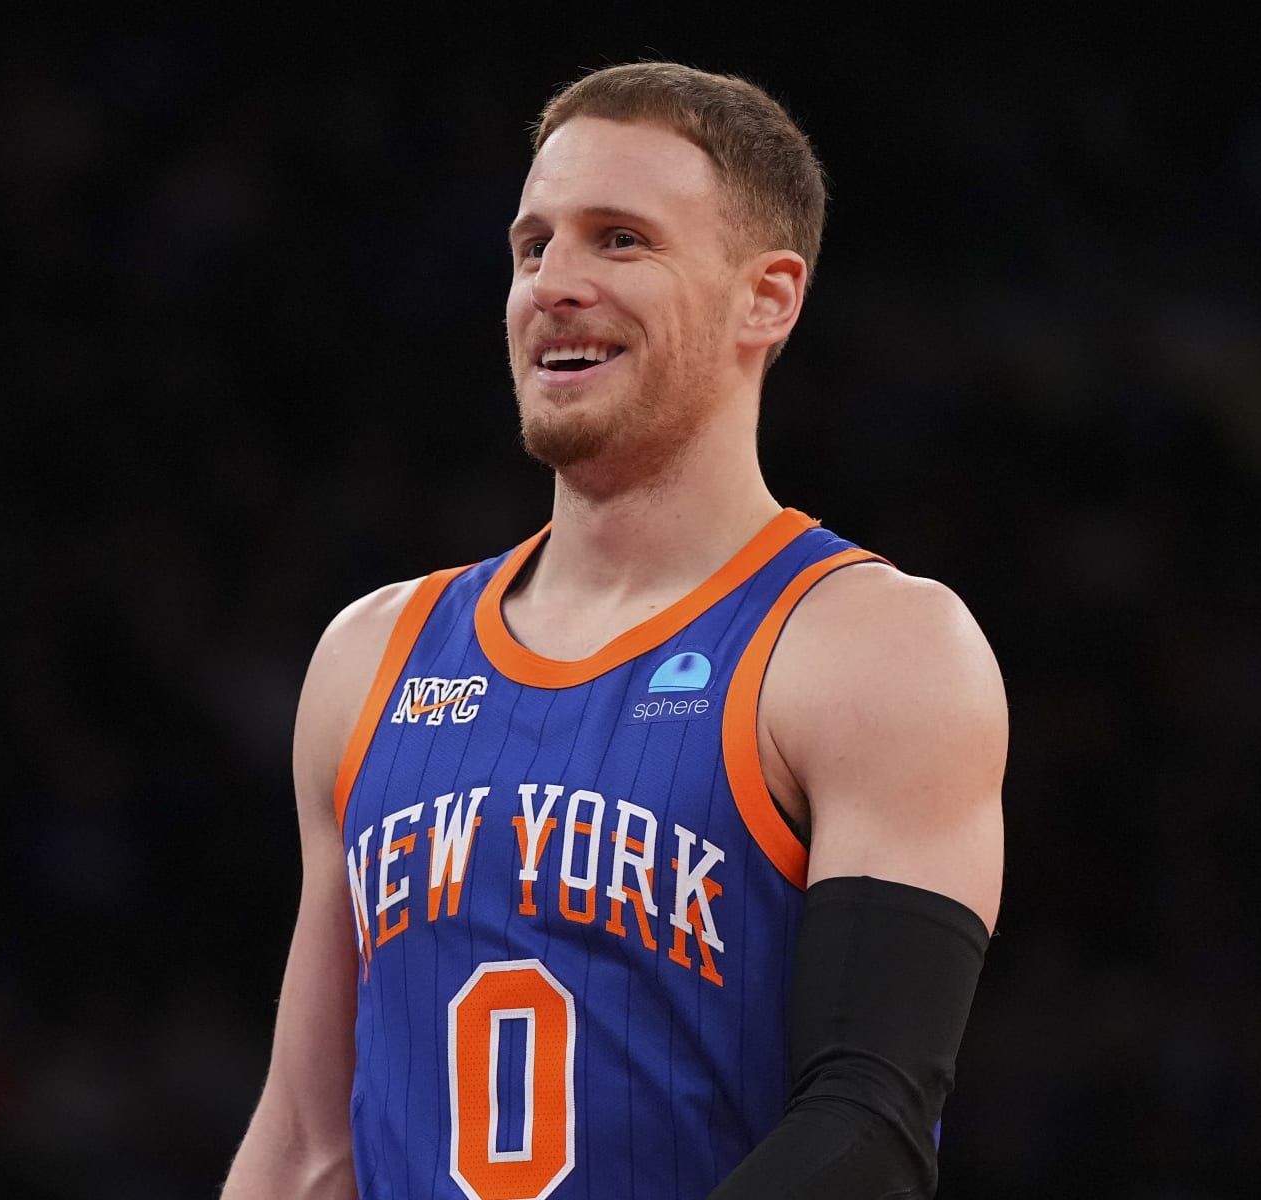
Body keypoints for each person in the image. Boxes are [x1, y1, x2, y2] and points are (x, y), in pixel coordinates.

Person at [223, 62, 1006, 1200]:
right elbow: (306, 1146)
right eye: (533, 244)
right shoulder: (371, 654)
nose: (555, 282)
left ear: (767, 298)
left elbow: (870, 1124)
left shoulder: (871, 644)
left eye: (620, 240)